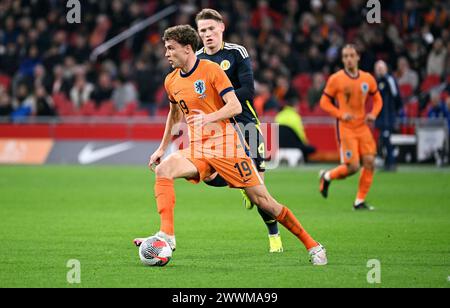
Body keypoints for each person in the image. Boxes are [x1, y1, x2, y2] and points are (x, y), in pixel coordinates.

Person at [133, 25, 327, 265]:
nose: (166, 54)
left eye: (171, 48)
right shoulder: (171, 81)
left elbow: (235, 106)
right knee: (164, 169)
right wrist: (162, 148)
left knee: (264, 202)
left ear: (187, 48)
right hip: (197, 148)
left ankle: (313, 245)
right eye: (166, 49)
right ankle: (167, 236)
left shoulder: (211, 70)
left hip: (226, 147)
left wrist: (208, 118)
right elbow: (174, 115)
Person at [194, 9, 283, 253]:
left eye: (211, 28)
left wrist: (222, 102)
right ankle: (240, 182)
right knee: (207, 176)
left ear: (222, 27)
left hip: (244, 124)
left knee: (260, 193)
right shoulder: (197, 59)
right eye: (203, 31)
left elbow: (248, 91)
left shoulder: (237, 53)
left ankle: (274, 236)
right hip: (216, 128)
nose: (207, 34)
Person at [318, 45, 383, 210]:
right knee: (353, 167)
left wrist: (373, 114)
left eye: (351, 55)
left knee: (370, 162)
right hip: (346, 127)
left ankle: (359, 201)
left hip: (362, 126)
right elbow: (324, 102)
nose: (349, 59)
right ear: (342, 59)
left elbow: (378, 100)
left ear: (358, 57)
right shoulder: (336, 79)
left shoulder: (367, 79)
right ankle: (327, 176)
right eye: (345, 56)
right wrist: (340, 114)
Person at [374, 60, 403, 171]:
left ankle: (391, 163)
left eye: (381, 68)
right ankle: (387, 162)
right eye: (377, 68)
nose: (379, 70)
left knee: (386, 138)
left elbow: (396, 96)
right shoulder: (377, 82)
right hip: (381, 117)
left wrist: (394, 113)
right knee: (383, 139)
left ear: (385, 69)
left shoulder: (389, 79)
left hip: (388, 117)